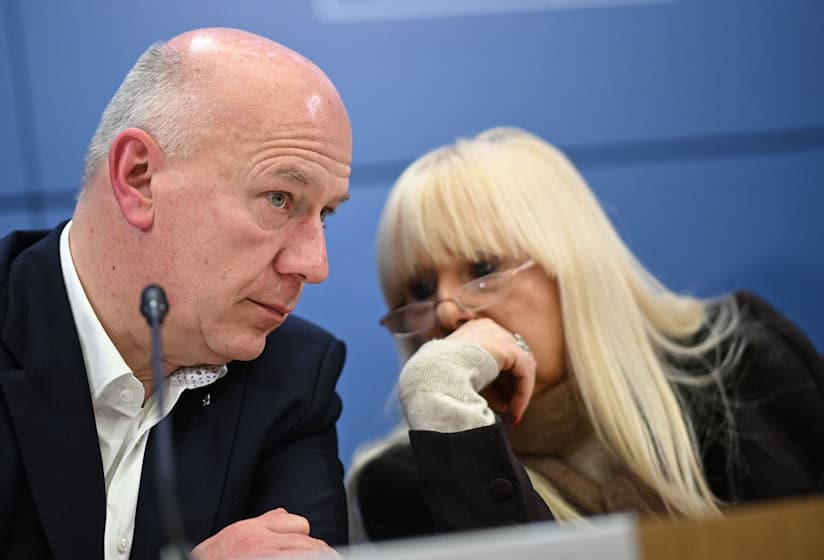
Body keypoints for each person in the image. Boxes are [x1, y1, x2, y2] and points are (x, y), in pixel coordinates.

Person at [0, 28, 353, 559]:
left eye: (325, 214)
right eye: (280, 198)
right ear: (139, 178)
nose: (314, 264)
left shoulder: (294, 376)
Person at [348, 127, 824, 541]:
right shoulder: (404, 483)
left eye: (484, 267)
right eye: (420, 288)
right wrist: (441, 399)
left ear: (570, 267)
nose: (448, 312)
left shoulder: (744, 360)